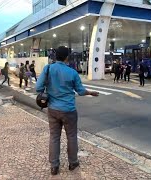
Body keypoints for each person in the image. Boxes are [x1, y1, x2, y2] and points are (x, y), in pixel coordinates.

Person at [36, 46, 99, 175]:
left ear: (55, 56)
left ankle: (54, 166)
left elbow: (38, 87)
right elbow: (81, 91)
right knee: (71, 136)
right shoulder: (72, 72)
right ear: (66, 57)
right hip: (69, 110)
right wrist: (91, 92)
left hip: (53, 109)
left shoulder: (48, 69)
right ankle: (73, 162)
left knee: (54, 137)